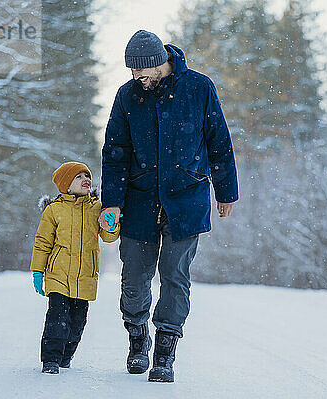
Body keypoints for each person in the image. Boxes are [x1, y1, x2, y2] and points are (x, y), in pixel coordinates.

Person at [99, 30, 239, 383]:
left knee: (175, 278)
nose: (137, 78)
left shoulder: (198, 88)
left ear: (158, 63)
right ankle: (137, 335)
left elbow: (219, 141)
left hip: (186, 199)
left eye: (141, 72)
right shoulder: (127, 97)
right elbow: (115, 153)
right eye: (133, 73)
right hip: (138, 200)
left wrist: (226, 192)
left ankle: (165, 353)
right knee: (133, 280)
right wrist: (111, 202)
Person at [30, 162, 120, 374]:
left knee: (77, 323)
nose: (85, 180)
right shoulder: (54, 210)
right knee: (57, 320)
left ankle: (66, 356)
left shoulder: (96, 207)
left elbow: (109, 238)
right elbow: (42, 242)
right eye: (79, 177)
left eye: (87, 176)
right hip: (58, 276)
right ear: (66, 185)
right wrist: (37, 271)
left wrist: (111, 223)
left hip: (85, 277)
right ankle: (51, 359)